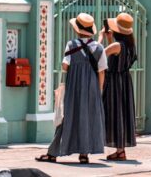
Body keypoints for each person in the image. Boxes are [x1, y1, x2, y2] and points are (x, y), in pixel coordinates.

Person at [37, 12, 107, 164]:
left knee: (66, 117)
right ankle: (84, 154)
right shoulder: (99, 48)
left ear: (77, 29)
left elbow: (64, 66)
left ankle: (53, 152)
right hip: (92, 88)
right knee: (88, 117)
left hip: (74, 86)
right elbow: (102, 72)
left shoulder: (71, 44)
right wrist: (99, 90)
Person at [100, 12, 138, 161]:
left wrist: (102, 38)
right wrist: (110, 39)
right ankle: (120, 150)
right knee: (122, 114)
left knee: (113, 113)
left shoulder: (117, 45)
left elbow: (101, 56)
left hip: (114, 83)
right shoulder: (131, 46)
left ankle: (120, 150)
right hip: (125, 82)